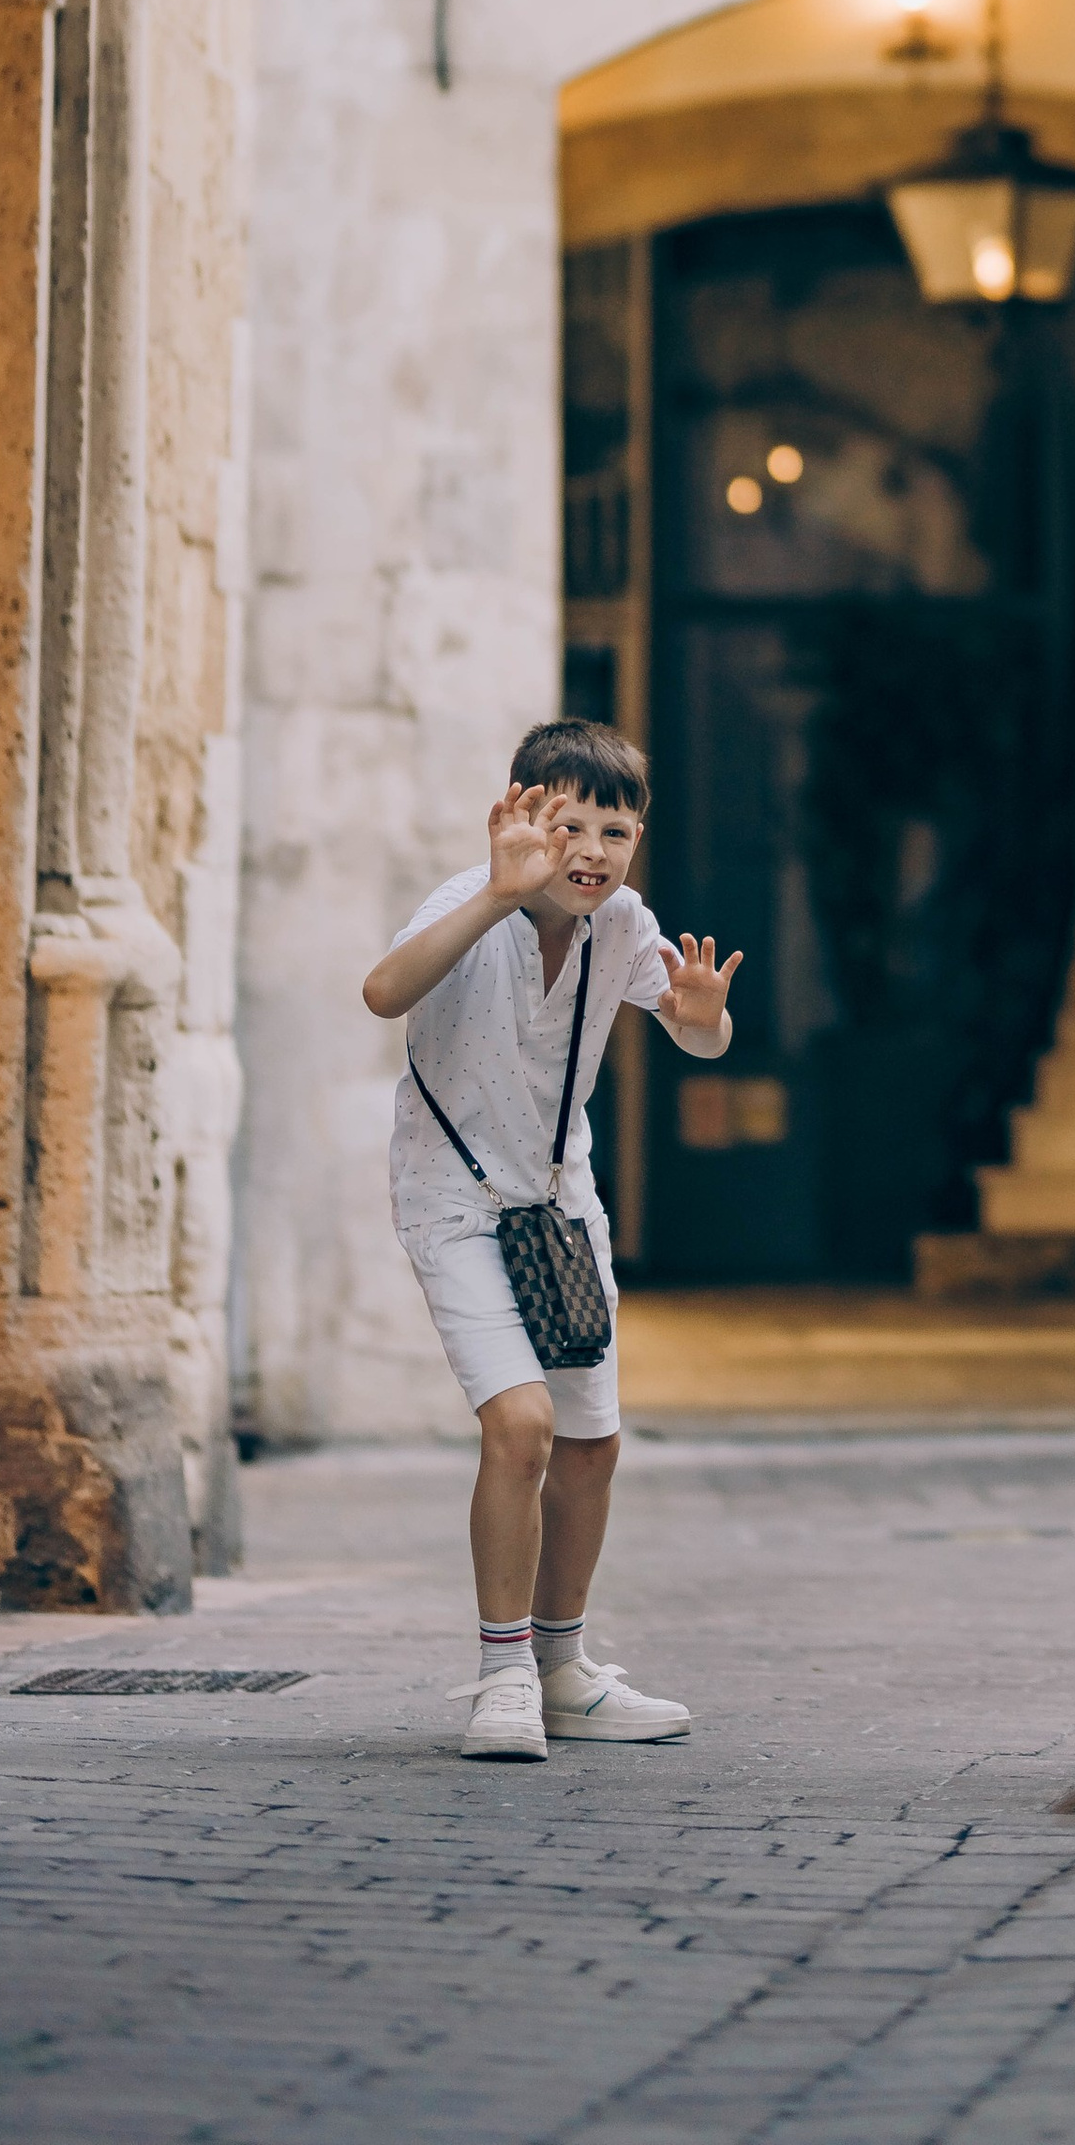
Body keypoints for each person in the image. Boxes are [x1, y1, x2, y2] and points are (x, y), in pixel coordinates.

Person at [360, 717, 741, 1762]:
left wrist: (704, 1018)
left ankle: (564, 1670)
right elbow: (383, 992)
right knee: (520, 1426)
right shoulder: (466, 902)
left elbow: (697, 1031)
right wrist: (493, 889)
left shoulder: (623, 923)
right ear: (521, 811)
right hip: (452, 1202)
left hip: (559, 1208)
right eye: (568, 825)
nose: (591, 853)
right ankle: (502, 1677)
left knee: (590, 1444)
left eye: (615, 833)